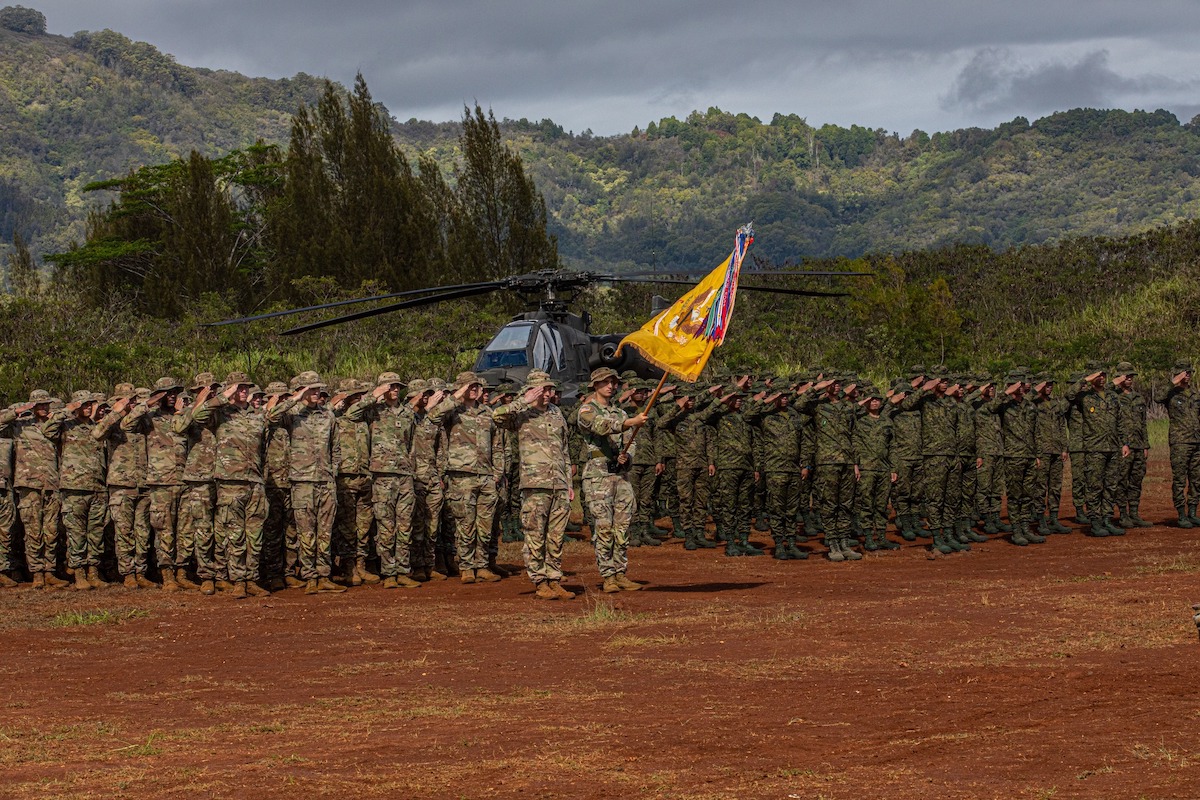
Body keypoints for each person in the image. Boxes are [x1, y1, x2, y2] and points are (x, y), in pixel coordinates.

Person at [493, 370, 575, 600]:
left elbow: (564, 449)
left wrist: (568, 481)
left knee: (556, 536)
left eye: (550, 389)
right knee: (535, 534)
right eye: (544, 389)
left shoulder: (556, 413)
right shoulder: (522, 413)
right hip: (534, 483)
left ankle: (554, 578)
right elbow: (497, 417)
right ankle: (539, 580)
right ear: (532, 391)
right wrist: (524, 400)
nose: (549, 393)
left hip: (558, 482)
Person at [576, 367, 647, 592]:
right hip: (598, 476)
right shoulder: (587, 410)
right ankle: (607, 576)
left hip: (620, 475)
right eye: (605, 382)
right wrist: (630, 423)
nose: (610, 386)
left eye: (614, 382)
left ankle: (620, 572)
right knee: (604, 527)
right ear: (595, 385)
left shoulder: (621, 413)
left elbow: (631, 440)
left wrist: (628, 456)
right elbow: (600, 426)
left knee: (622, 527)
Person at [346, 372, 420, 589]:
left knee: (405, 525)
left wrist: (412, 469)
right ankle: (388, 572)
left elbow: (412, 443)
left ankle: (403, 571)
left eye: (397, 386)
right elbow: (351, 414)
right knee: (386, 527)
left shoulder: (407, 413)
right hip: (381, 475)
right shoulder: (373, 410)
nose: (395, 390)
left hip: (405, 475)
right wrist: (373, 395)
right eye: (390, 386)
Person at [428, 371, 503, 584]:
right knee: (465, 524)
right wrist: (456, 396)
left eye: (476, 386)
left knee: (485, 525)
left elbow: (497, 445)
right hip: (461, 476)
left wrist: (497, 473)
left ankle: (482, 565)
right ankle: (467, 566)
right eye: (470, 386)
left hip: (486, 476)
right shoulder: (452, 411)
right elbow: (433, 417)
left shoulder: (488, 413)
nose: (475, 389)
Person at [126, 377, 196, 591]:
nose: (171, 395)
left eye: (174, 392)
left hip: (184, 480)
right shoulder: (149, 417)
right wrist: (147, 403)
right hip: (160, 482)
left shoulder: (184, 416)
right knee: (164, 530)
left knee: (186, 530)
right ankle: (167, 575)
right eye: (166, 393)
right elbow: (126, 424)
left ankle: (182, 572)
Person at [93, 383, 154, 589]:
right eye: (127, 399)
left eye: (133, 399)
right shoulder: (111, 421)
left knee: (143, 531)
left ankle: (141, 571)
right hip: (121, 484)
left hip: (143, 483)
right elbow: (97, 433)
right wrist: (117, 411)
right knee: (124, 531)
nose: (132, 402)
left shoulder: (142, 421)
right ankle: (128, 573)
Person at [58, 390, 107, 590]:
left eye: (90, 404)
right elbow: (47, 429)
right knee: (76, 532)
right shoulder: (66, 425)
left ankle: (93, 571)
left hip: (97, 486)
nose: (87, 407)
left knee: (95, 532)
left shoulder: (97, 427)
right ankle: (78, 573)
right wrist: (66, 410)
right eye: (84, 404)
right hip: (74, 487)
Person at [1113, 362, 1151, 528]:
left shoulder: (1138, 397)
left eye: (1131, 376)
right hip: (1123, 446)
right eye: (1125, 376)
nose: (1129, 379)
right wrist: (1122, 444)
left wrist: (1145, 445)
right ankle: (1122, 514)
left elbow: (1143, 423)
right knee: (1122, 479)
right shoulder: (1112, 396)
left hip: (1138, 444)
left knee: (1136, 479)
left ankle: (1134, 513)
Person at [1164, 360, 1200, 527]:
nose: (1188, 375)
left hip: (1196, 441)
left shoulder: (1195, 394)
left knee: (1196, 479)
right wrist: (1174, 381)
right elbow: (1157, 397)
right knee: (1179, 479)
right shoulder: (1171, 393)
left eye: (1189, 372)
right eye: (1185, 372)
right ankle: (1181, 514)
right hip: (1180, 442)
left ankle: (1192, 511)